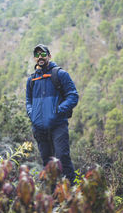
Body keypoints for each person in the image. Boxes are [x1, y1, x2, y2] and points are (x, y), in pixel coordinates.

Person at [26, 44, 79, 185]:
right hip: (39, 128)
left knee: (62, 158)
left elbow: (73, 96)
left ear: (49, 56)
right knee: (47, 163)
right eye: (37, 55)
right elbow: (28, 101)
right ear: (34, 58)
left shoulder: (60, 74)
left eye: (43, 54)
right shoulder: (31, 80)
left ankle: (73, 191)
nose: (40, 57)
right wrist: (32, 114)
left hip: (58, 125)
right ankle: (54, 197)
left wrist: (58, 110)